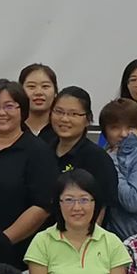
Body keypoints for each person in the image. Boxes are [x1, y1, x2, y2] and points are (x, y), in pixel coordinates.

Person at [0, 79, 61, 266]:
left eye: (9, 106)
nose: (1, 113)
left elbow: (42, 207)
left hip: (19, 254)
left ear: (22, 110)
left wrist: (0, 242)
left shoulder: (38, 152)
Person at [48, 87, 119, 227]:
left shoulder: (98, 158)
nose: (64, 119)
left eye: (73, 114)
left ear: (88, 119)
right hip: (44, 238)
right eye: (59, 112)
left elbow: (102, 207)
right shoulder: (44, 151)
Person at [96, 97, 137, 239]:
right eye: (115, 127)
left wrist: (111, 164)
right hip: (108, 239)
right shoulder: (105, 153)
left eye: (130, 127)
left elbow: (133, 201)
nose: (123, 134)